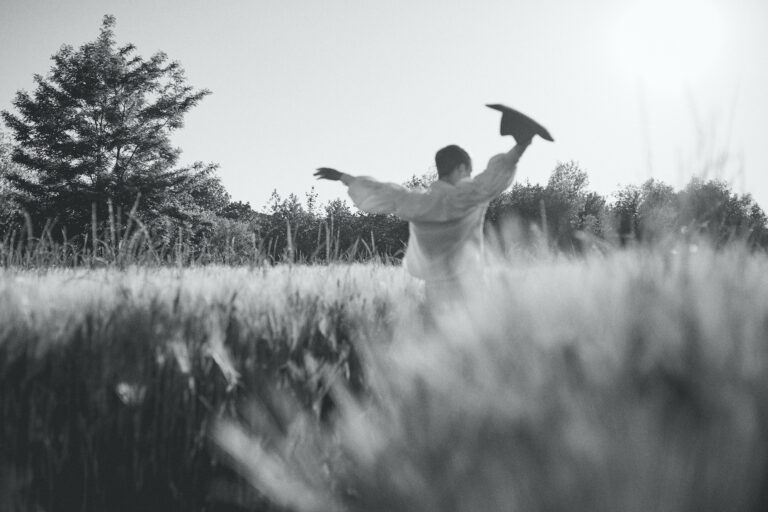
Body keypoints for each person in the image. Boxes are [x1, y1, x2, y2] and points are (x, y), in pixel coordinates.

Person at [314, 104, 552, 304]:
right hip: (471, 288)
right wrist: (521, 145)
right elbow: (493, 177)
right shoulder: (468, 196)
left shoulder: (416, 202)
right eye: (468, 171)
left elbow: (381, 192)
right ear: (461, 169)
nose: (470, 176)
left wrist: (344, 177)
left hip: (435, 291)